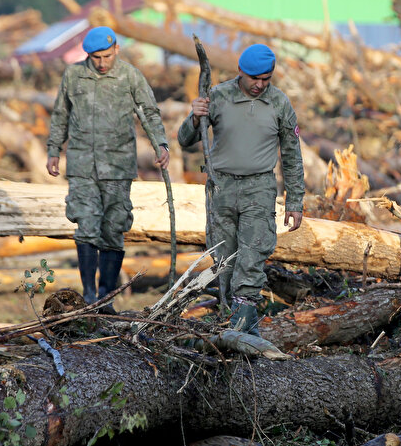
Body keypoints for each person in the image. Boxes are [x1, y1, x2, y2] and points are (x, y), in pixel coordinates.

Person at [177, 43, 304, 335]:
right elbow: (185, 140)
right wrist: (195, 116)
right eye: (254, 79)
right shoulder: (218, 96)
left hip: (259, 187)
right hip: (220, 188)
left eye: (266, 79)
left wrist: (295, 200)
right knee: (224, 259)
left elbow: (292, 155)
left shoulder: (279, 103)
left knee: (252, 255)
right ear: (241, 72)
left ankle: (244, 325)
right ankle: (227, 319)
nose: (260, 85)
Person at [46, 26, 169, 306]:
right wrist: (54, 149)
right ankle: (89, 295)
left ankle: (106, 298)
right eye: (95, 58)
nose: (101, 63)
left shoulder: (129, 76)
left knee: (113, 229)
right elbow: (61, 113)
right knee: (86, 227)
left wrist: (160, 144)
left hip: (117, 165)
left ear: (116, 50)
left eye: (106, 57)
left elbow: (148, 111)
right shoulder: (74, 75)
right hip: (82, 166)